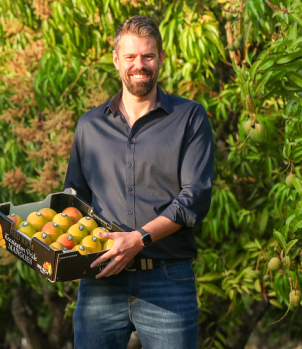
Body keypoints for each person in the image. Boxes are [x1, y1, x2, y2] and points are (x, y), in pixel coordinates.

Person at [63, 15, 214, 349]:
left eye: (147, 56)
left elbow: (195, 197)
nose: (139, 65)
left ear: (160, 58)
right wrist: (48, 246)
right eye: (130, 57)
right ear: (116, 61)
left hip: (167, 281)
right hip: (100, 280)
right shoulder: (89, 126)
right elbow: (74, 199)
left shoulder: (189, 118)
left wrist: (139, 238)